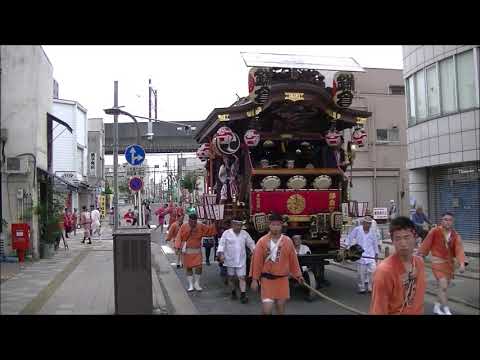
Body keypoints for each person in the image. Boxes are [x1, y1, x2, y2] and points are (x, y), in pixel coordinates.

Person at [250, 213, 304, 315]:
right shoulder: (262, 241)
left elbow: (293, 260)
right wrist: (254, 279)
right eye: (273, 225)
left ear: (282, 226)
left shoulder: (288, 241)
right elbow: (257, 262)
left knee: (280, 310)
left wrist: (298, 275)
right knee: (267, 311)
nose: (275, 227)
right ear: (269, 225)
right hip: (267, 280)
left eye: (278, 225)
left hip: (282, 280)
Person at [369, 216, 426, 315]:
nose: (403, 243)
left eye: (407, 237)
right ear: (392, 241)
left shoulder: (419, 263)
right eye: (398, 239)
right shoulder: (384, 271)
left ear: (415, 237)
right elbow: (378, 310)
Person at [418, 212, 466, 315]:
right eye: (445, 219)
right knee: (443, 286)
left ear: (453, 222)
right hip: (437, 263)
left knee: (442, 288)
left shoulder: (455, 235)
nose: (447, 222)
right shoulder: (435, 231)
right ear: (441, 221)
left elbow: (459, 249)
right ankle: (447, 310)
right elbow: (426, 244)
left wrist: (461, 263)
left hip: (449, 265)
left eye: (450, 220)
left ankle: (436, 307)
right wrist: (420, 256)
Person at [216, 218, 256, 304]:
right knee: (231, 278)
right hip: (230, 259)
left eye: (240, 225)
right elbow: (221, 244)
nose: (239, 227)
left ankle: (243, 295)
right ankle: (233, 291)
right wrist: (221, 254)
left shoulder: (244, 233)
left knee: (242, 277)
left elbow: (251, 243)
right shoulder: (226, 233)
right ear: (232, 225)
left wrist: (254, 251)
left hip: (241, 259)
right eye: (237, 225)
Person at [177, 213, 217, 291]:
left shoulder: (200, 225)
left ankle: (197, 283)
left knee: (199, 267)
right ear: (189, 220)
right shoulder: (184, 226)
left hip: (197, 250)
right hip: (187, 250)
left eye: (195, 222)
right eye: (191, 222)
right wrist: (178, 247)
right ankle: (191, 284)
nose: (193, 224)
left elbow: (209, 230)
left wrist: (215, 224)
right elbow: (179, 236)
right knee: (189, 268)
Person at [345, 216, 379, 294]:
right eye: (367, 223)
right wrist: (346, 246)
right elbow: (350, 237)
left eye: (369, 224)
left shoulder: (372, 231)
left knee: (373, 271)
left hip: (371, 255)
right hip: (360, 255)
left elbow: (375, 243)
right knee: (361, 274)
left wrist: (376, 253)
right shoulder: (357, 229)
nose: (368, 225)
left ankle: (370, 287)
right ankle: (362, 287)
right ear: (363, 223)